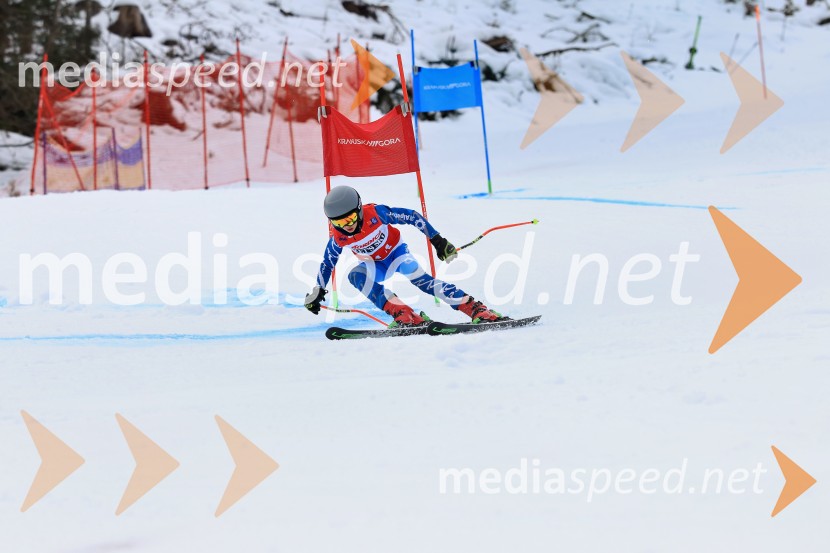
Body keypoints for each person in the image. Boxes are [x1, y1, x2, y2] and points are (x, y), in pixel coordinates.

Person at [304, 185, 504, 327]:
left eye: (350, 218)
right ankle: (404, 314)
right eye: (338, 222)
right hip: (375, 265)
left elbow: (412, 216)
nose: (346, 225)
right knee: (355, 275)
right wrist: (317, 290)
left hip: (397, 254)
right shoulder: (338, 238)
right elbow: (327, 264)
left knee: (422, 281)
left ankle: (476, 309)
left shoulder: (376, 213)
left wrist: (437, 240)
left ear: (359, 210)